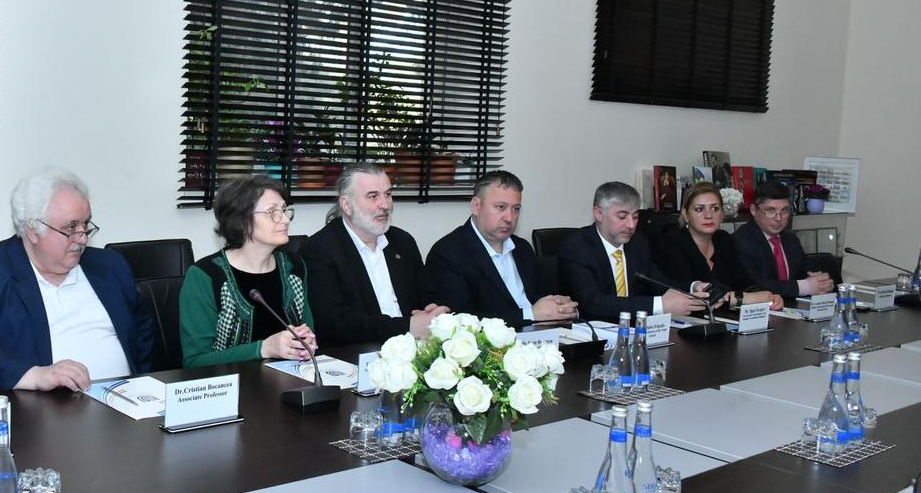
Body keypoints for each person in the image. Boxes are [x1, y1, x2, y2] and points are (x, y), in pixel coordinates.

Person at [0, 169, 151, 394]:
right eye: (71, 227)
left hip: (124, 403)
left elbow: (142, 334)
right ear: (33, 231)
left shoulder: (110, 266)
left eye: (86, 224)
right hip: (39, 410)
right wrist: (35, 376)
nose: (83, 237)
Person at [300, 163, 448, 345]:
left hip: (416, 350)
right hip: (356, 354)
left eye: (388, 194)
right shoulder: (319, 250)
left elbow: (427, 294)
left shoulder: (402, 242)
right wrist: (407, 327)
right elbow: (335, 324)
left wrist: (431, 311)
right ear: (347, 205)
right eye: (373, 196)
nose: (385, 205)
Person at [180, 175, 316, 366]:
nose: (285, 219)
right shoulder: (205, 276)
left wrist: (307, 342)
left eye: (285, 210)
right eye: (272, 212)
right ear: (241, 221)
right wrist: (263, 349)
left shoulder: (293, 267)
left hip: (290, 378)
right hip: (231, 383)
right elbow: (195, 362)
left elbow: (308, 331)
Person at [426, 170, 577, 327]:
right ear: (476, 206)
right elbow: (460, 320)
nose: (509, 218)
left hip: (542, 333)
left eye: (516, 209)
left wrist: (560, 308)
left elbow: (535, 297)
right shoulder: (448, 253)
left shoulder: (522, 248)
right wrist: (530, 314)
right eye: (501, 207)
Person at [559, 181, 706, 321]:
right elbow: (593, 303)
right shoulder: (576, 247)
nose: (631, 225)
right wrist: (659, 305)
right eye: (622, 216)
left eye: (635, 217)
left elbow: (659, 284)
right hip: (592, 332)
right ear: (598, 214)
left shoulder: (637, 243)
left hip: (635, 329)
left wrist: (693, 288)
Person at [654, 182, 784, 311]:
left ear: (722, 214)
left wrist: (770, 297)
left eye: (715, 209)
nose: (708, 215)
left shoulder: (723, 239)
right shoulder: (671, 243)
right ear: (685, 214)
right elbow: (697, 298)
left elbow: (744, 283)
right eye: (699, 209)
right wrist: (742, 299)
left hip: (724, 318)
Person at [734, 181, 835, 300]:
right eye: (771, 211)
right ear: (754, 210)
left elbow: (808, 270)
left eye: (785, 211)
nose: (778, 218)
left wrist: (823, 281)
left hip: (792, 307)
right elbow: (755, 285)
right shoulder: (741, 241)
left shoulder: (790, 240)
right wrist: (805, 287)